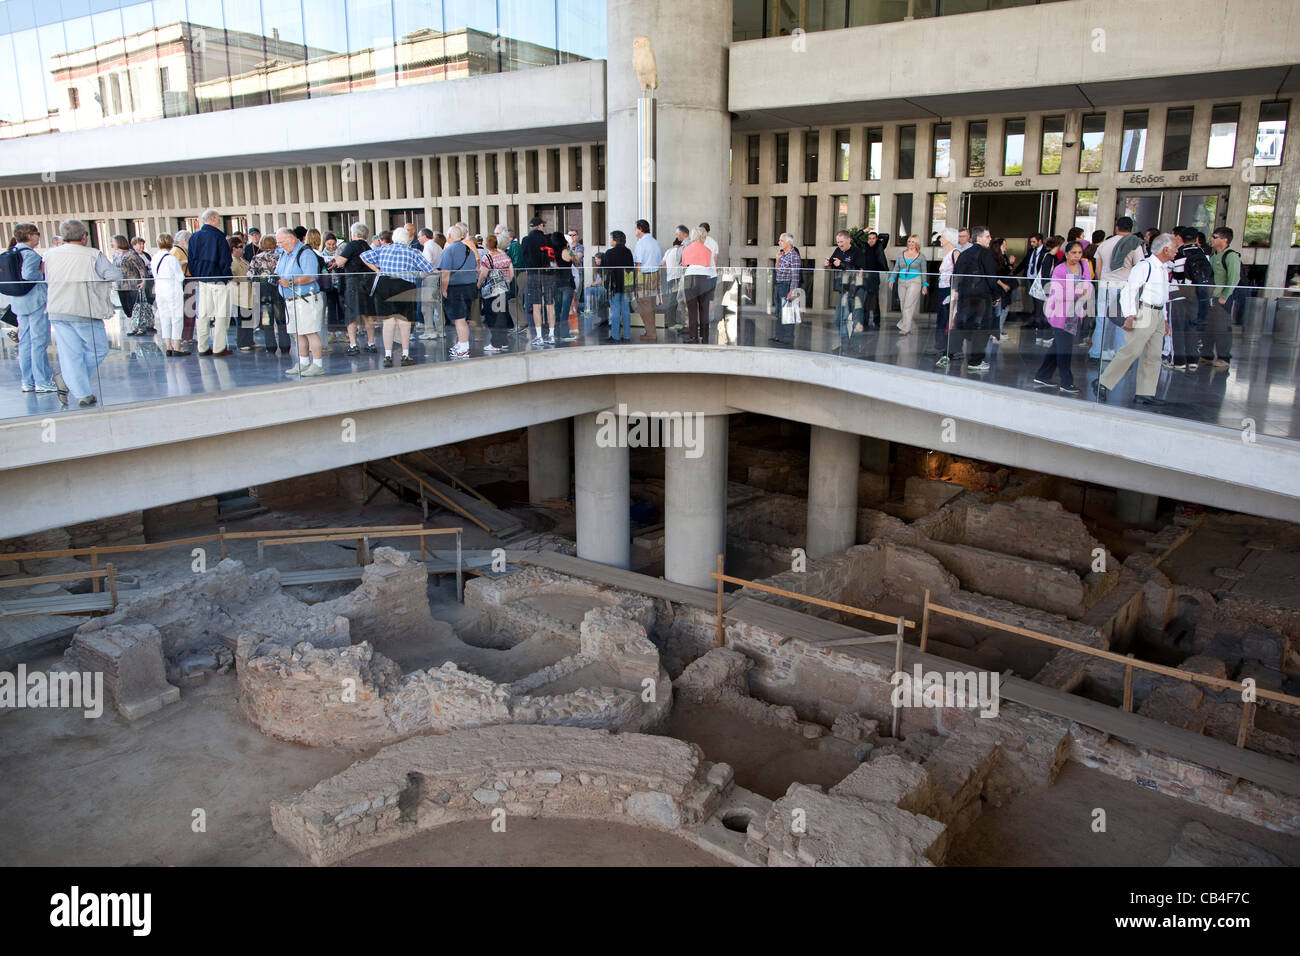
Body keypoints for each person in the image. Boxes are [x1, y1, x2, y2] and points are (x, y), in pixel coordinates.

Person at [44, 219, 123, 407]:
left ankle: (82, 393)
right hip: (84, 308)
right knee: (99, 349)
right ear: (84, 236)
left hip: (57, 309)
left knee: (71, 354)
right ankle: (67, 380)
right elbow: (114, 275)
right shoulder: (92, 255)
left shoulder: (49, 255)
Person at [1095, 233, 1178, 405]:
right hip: (1144, 311)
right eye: (1175, 247)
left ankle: (1145, 392)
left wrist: (1165, 319)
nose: (1177, 251)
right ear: (1165, 249)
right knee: (1131, 350)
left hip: (1157, 313)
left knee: (1154, 355)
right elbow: (1129, 291)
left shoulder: (1163, 269)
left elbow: (1164, 297)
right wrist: (1130, 315)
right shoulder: (1145, 266)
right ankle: (1103, 382)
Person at [361, 226, 434, 367]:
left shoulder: (383, 249)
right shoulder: (413, 252)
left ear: (394, 238)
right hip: (404, 286)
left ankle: (387, 355)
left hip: (384, 284)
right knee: (404, 321)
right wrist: (417, 274)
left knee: (388, 322)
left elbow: (364, 256)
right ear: (407, 239)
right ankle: (405, 354)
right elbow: (429, 269)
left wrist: (377, 270)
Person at [1032, 240, 1093, 394]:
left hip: (1074, 313)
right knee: (1064, 350)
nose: (1077, 256)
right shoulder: (1060, 269)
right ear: (1066, 254)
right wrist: (1079, 292)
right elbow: (1058, 292)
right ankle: (1066, 382)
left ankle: (1042, 375)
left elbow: (1088, 282)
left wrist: (1082, 291)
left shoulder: (1083, 265)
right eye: (1073, 253)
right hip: (1060, 313)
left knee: (1058, 347)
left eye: (1079, 253)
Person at [7, 223, 58, 393]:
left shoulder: (14, 252)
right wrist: (42, 271)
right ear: (29, 236)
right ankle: (42, 381)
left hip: (19, 302)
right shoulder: (30, 255)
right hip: (35, 302)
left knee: (25, 342)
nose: (38, 237)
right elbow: (28, 274)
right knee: (39, 342)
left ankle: (27, 381)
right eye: (36, 234)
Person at [274, 227, 326, 377]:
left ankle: (317, 364)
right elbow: (279, 271)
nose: (280, 245)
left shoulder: (305, 253)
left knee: (310, 332)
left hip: (306, 299)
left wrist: (291, 282)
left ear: (291, 239)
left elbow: (311, 276)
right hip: (290, 300)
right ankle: (303, 362)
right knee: (298, 333)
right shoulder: (284, 254)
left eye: (281, 242)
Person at [1091, 217, 1144, 362]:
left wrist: (1102, 282)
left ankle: (1097, 351)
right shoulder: (1135, 245)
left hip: (1106, 285)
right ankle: (1118, 353)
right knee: (1122, 320)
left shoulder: (1104, 244)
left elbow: (1098, 268)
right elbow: (1139, 268)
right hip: (1124, 286)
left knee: (1102, 318)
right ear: (1131, 228)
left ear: (1116, 227)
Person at [951, 225, 1000, 372]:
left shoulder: (964, 254)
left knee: (962, 324)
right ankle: (975, 361)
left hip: (965, 297)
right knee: (981, 329)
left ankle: (951, 353)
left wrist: (957, 291)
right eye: (987, 236)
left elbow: (956, 275)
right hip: (981, 298)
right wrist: (996, 295)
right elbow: (991, 277)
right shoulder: (986, 254)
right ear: (978, 238)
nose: (990, 239)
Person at [187, 209, 234, 356]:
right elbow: (225, 260)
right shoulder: (219, 237)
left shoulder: (194, 237)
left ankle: (202, 347)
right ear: (212, 219)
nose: (220, 222)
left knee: (203, 314)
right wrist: (226, 276)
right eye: (218, 219)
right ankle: (219, 348)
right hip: (218, 280)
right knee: (221, 314)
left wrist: (197, 275)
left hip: (202, 281)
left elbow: (191, 259)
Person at [1167, 226, 1212, 372]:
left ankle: (1179, 361)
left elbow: (1174, 275)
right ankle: (1193, 360)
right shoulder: (1204, 254)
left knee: (1178, 329)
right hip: (1196, 295)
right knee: (1192, 327)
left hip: (1179, 295)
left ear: (1180, 239)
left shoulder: (1178, 255)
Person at [333, 222, 378, 355]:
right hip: (367, 283)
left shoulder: (351, 245)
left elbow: (340, 262)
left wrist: (335, 257)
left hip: (353, 283)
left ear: (354, 234)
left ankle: (353, 344)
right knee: (368, 314)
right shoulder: (368, 247)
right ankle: (371, 343)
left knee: (351, 314)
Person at [437, 223, 479, 358]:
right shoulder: (469, 250)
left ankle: (464, 348)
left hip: (456, 288)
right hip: (470, 287)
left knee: (459, 319)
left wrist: (443, 290)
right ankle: (462, 345)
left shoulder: (448, 251)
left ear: (449, 236)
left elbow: (445, 273)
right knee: (463, 318)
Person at [1200, 226, 1240, 368]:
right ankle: (1207, 354)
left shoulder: (1231, 256)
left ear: (1225, 239)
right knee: (1209, 327)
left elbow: (1234, 278)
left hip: (1222, 299)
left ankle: (1224, 357)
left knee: (1222, 328)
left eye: (1215, 237)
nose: (1211, 239)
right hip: (1211, 297)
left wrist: (1225, 296)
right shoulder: (1214, 256)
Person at [247, 234, 289, 354]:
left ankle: (270, 347)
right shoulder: (281, 256)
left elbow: (249, 275)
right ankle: (285, 346)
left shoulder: (257, 258)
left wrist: (257, 280)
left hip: (263, 289)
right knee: (281, 319)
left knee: (267, 320)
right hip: (279, 288)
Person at [150, 234, 189, 356]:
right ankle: (177, 346)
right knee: (177, 318)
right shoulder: (171, 258)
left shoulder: (155, 257)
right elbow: (180, 276)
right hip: (172, 290)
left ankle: (168, 345)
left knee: (164, 317)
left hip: (159, 290)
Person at [826, 230, 865, 351]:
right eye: (838, 242)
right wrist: (828, 264)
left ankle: (855, 345)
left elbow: (859, 270)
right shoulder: (838, 251)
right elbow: (832, 267)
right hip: (843, 289)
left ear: (849, 240)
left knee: (856, 319)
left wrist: (842, 264)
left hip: (857, 289)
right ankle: (843, 344)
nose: (839, 244)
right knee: (839, 319)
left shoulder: (857, 252)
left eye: (842, 241)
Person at [520, 216, 557, 344]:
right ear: (540, 226)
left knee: (536, 306)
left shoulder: (526, 240)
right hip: (548, 274)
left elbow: (524, 257)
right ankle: (551, 335)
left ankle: (539, 336)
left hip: (533, 274)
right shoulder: (548, 239)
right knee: (550, 305)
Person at [478, 234, 515, 353]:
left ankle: (496, 343)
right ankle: (504, 341)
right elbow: (511, 272)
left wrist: (478, 285)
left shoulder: (486, 258)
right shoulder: (505, 256)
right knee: (502, 315)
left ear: (487, 245)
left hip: (492, 292)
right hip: (504, 289)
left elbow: (483, 274)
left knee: (492, 317)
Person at [681, 226, 715, 343]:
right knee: (704, 309)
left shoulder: (686, 249)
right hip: (705, 278)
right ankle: (705, 337)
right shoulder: (708, 251)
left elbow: (685, 264)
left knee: (692, 309)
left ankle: (693, 337)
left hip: (690, 278)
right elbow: (710, 266)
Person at [111, 235, 151, 335]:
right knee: (126, 307)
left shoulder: (131, 254)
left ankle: (141, 327)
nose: (112, 244)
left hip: (133, 284)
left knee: (136, 306)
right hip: (120, 285)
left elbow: (141, 268)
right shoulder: (116, 255)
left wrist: (143, 281)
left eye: (113, 242)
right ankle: (134, 326)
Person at [888, 235, 927, 336]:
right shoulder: (901, 254)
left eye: (913, 242)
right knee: (903, 304)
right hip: (901, 281)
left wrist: (924, 285)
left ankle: (905, 328)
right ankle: (908, 324)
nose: (910, 243)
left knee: (908, 305)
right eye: (909, 241)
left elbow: (924, 272)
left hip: (915, 281)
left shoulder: (921, 256)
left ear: (917, 243)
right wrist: (892, 279)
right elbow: (896, 268)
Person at [931, 228, 960, 365]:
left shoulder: (955, 253)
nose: (940, 239)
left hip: (950, 289)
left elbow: (958, 273)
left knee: (949, 318)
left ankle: (950, 349)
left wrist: (955, 291)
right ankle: (942, 346)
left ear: (948, 239)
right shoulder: (947, 254)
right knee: (942, 317)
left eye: (942, 237)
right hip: (943, 288)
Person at [632, 219, 662, 342]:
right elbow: (660, 264)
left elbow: (638, 264)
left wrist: (635, 280)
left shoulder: (640, 243)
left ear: (640, 229)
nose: (635, 231)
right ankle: (650, 330)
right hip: (655, 275)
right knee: (651, 304)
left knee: (644, 305)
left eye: (635, 228)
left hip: (643, 276)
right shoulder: (655, 242)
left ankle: (651, 332)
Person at [771, 232, 802, 345]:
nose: (779, 242)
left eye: (781, 240)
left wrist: (792, 290)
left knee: (788, 311)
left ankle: (788, 337)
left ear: (789, 242)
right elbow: (777, 270)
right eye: (779, 240)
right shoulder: (783, 254)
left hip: (787, 285)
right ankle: (779, 336)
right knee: (779, 311)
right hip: (779, 284)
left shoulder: (794, 256)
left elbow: (795, 275)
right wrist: (778, 260)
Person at [602, 231, 634, 342]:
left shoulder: (609, 253)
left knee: (615, 311)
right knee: (626, 311)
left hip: (614, 286)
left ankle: (615, 336)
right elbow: (631, 269)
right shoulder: (628, 252)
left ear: (615, 239)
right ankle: (627, 336)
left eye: (610, 238)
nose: (610, 240)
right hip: (627, 285)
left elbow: (605, 270)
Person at [229, 236, 257, 350]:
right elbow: (230, 276)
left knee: (248, 317)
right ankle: (242, 342)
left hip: (248, 291)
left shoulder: (242, 260)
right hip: (239, 292)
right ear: (233, 248)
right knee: (242, 318)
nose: (242, 249)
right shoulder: (231, 261)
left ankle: (249, 340)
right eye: (240, 247)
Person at [1014, 233, 1047, 327]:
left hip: (1039, 280)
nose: (1032, 244)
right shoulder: (1031, 251)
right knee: (1031, 300)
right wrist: (1014, 272)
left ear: (1040, 241)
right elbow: (1024, 262)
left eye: (1034, 242)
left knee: (1039, 301)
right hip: (1029, 278)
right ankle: (1033, 319)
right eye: (1031, 242)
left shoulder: (1045, 252)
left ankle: (1037, 320)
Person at [662, 225, 688, 333]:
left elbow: (662, 264)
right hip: (677, 278)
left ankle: (671, 321)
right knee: (675, 300)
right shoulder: (680, 251)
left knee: (672, 300)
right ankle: (671, 322)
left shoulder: (668, 251)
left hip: (669, 278)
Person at [860, 230, 888, 329]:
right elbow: (855, 238)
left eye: (873, 238)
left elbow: (886, 236)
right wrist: (864, 231)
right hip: (865, 277)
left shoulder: (880, 246)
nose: (871, 240)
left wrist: (879, 236)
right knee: (865, 299)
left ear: (876, 239)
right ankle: (865, 321)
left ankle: (877, 321)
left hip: (875, 277)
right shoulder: (864, 246)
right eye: (870, 238)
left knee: (875, 299)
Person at [582, 252, 609, 335]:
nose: (596, 261)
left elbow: (602, 280)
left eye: (597, 259)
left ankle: (588, 310)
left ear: (601, 259)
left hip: (604, 289)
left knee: (587, 291)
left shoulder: (604, 267)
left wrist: (591, 284)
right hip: (601, 289)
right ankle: (593, 314)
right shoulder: (600, 268)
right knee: (589, 290)